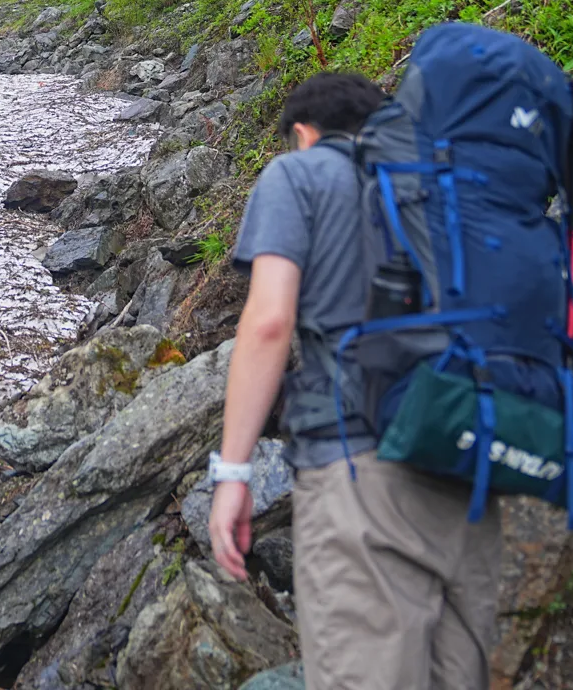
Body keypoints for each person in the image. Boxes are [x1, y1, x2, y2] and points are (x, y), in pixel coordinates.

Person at [208, 71, 502, 690]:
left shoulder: (298, 175)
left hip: (357, 470)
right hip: (464, 468)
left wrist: (234, 474)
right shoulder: (442, 187)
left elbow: (268, 323)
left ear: (305, 133)